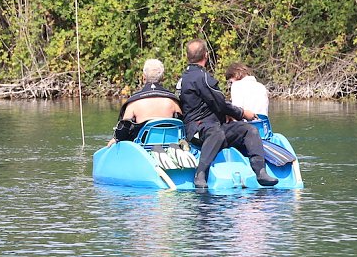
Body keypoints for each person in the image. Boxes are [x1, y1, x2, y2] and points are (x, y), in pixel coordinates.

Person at [177, 40, 278, 188]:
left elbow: (214, 105)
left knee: (248, 130)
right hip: (198, 130)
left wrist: (229, 116)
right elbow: (221, 103)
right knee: (216, 133)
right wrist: (243, 113)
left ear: (188, 57)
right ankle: (200, 173)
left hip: (211, 126)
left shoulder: (183, 79)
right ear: (206, 55)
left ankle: (260, 172)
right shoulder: (202, 78)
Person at [107, 58, 182, 146]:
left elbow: (123, 129)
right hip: (169, 144)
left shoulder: (134, 102)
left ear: (143, 77)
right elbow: (182, 122)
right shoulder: (173, 101)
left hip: (142, 147)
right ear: (163, 78)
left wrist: (115, 139)